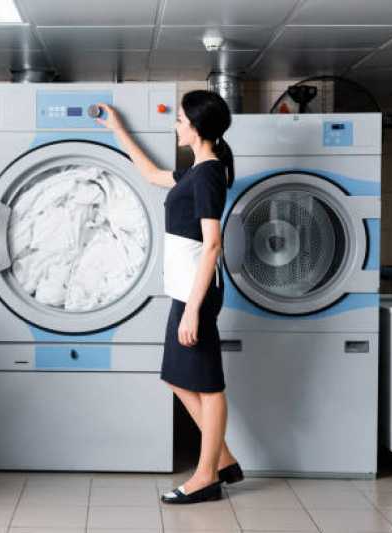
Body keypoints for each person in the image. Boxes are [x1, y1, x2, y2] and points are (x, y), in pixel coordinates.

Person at [96, 90, 243, 504]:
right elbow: (152, 175)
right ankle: (224, 459)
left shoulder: (210, 174)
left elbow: (213, 244)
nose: (176, 125)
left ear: (196, 126)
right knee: (177, 377)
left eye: (180, 119)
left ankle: (206, 476)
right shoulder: (196, 172)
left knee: (208, 386)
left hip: (196, 293)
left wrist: (193, 311)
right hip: (184, 289)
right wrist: (118, 130)